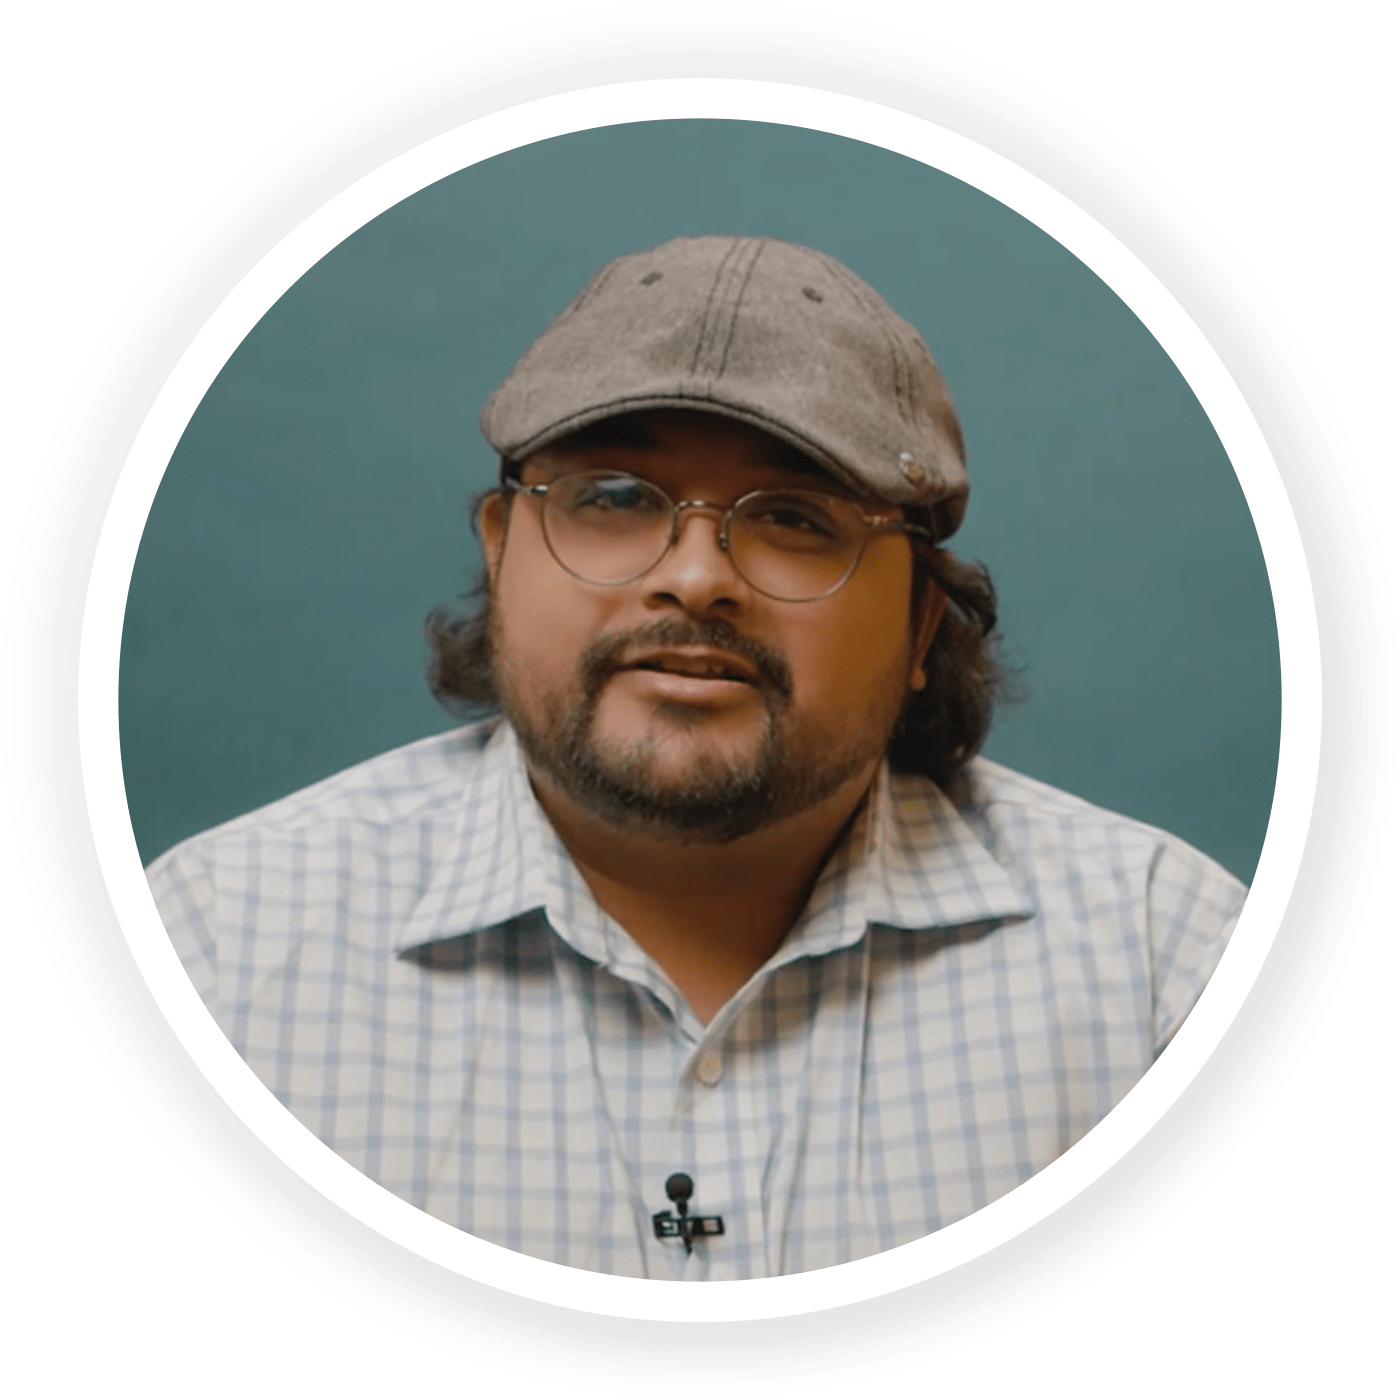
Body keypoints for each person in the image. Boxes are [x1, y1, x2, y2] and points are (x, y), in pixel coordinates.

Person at [147, 235, 1246, 1281]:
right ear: (499, 550)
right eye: (614, 497)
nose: (694, 575)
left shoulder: (1171, 971)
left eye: (795, 516)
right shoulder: (205, 955)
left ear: (920, 624)